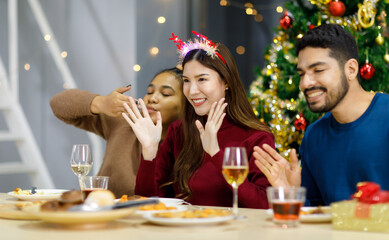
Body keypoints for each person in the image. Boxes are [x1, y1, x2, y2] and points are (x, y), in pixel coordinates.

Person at [122, 32, 274, 208]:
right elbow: (149, 203)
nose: (192, 91)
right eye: (186, 81)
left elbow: (264, 205)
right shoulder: (179, 131)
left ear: (226, 82)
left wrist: (216, 154)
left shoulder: (257, 137)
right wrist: (148, 152)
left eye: (202, 79)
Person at [254, 24, 389, 206]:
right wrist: (292, 195)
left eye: (318, 70)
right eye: (302, 74)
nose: (305, 83)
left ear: (351, 69)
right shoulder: (314, 135)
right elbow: (316, 213)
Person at [50, 67, 184, 197]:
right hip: (101, 213)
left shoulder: (189, 146)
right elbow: (57, 104)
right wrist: (101, 103)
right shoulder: (124, 121)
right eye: (149, 92)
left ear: (186, 104)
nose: (152, 98)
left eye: (165, 94)